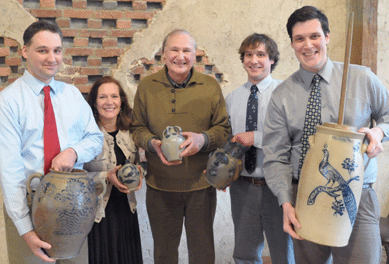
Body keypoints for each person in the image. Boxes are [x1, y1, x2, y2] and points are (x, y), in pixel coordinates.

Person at [262, 5, 389, 264]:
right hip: (304, 198)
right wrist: (286, 203)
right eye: (300, 39)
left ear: (327, 37)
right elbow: (275, 156)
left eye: (315, 36)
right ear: (292, 44)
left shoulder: (362, 78)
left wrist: (379, 132)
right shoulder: (282, 95)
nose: (308, 45)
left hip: (357, 195)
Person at [0, 20, 103, 263]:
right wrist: (26, 229)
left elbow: (95, 138)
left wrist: (73, 152)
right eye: (43, 50)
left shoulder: (72, 95)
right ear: (25, 51)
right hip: (31, 202)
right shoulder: (8, 102)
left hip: (73, 202)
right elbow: (10, 171)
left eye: (57, 50)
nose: (52, 58)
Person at [131, 29, 230, 264]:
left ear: (195, 55)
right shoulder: (147, 87)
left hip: (201, 188)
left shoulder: (210, 86)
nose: (180, 56)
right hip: (160, 187)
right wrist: (153, 144)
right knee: (164, 254)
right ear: (163, 54)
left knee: (203, 254)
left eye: (187, 50)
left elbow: (224, 129)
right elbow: (137, 129)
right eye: (174, 49)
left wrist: (202, 140)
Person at [225, 33, 294, 264]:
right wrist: (220, 171)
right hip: (242, 187)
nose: (254, 60)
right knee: (244, 254)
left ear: (272, 59)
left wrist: (255, 137)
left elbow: (293, 139)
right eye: (248, 54)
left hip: (278, 189)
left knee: (284, 253)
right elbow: (229, 140)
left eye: (261, 54)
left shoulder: (286, 93)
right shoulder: (233, 98)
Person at [84, 76, 144, 264]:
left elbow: (144, 164)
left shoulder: (132, 132)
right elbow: (75, 176)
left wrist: (142, 172)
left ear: (121, 101)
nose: (109, 102)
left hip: (126, 210)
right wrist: (106, 177)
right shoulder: (85, 135)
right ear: (94, 103)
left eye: (114, 97)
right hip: (98, 216)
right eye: (102, 97)